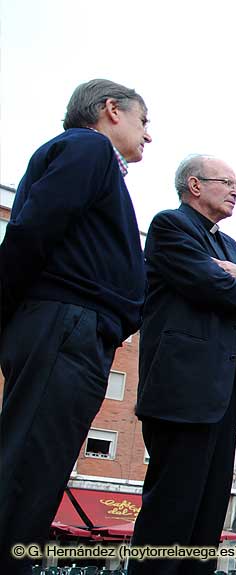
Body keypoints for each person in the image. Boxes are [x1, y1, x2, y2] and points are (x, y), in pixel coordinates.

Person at [0, 79, 151, 573]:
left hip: (72, 328)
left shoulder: (91, 160)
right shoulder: (89, 148)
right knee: (28, 467)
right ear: (111, 110)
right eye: (143, 121)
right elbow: (33, 228)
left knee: (38, 468)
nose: (147, 135)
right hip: (66, 325)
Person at [129, 155, 236, 575]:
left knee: (208, 518)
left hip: (225, 398)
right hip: (182, 392)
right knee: (170, 512)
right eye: (228, 183)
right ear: (195, 185)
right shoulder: (170, 227)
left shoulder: (228, 245)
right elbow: (213, 286)